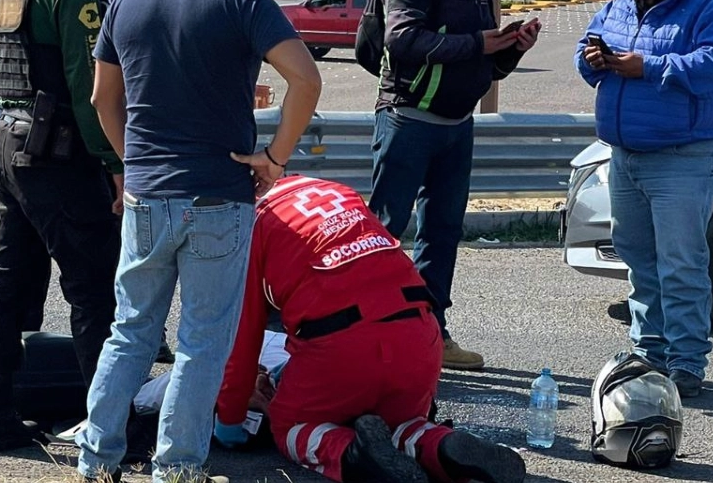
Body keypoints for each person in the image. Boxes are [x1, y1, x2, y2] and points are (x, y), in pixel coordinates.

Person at [75, 0, 322, 483]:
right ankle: (177, 468)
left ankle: (95, 458)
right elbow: (306, 80)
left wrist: (132, 163)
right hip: (218, 195)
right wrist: (275, 158)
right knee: (202, 342)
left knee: (130, 331)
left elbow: (103, 98)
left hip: (147, 195)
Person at [212, 175, 526, 483]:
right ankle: (441, 446)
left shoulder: (246, 227)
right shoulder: (334, 190)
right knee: (403, 423)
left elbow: (242, 341)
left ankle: (354, 454)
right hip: (419, 335)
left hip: (341, 347)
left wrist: (229, 423)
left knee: (293, 426)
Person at [0, 0, 123, 454]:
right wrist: (114, 161)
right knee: (94, 291)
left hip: (10, 147)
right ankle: (109, 430)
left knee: (5, 285)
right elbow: (89, 86)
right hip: (61, 156)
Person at [369, 0, 540, 371]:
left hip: (456, 126)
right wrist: (478, 43)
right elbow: (401, 39)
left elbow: (483, 62)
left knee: (442, 234)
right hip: (407, 120)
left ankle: (431, 335)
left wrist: (512, 48)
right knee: (385, 231)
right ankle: (367, 334)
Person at [573, 0, 713, 398]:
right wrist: (592, 59)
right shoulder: (620, 4)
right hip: (625, 154)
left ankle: (686, 362)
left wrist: (645, 65)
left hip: (684, 155)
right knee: (640, 260)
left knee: (680, 262)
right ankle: (649, 353)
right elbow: (586, 53)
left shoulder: (708, 6)